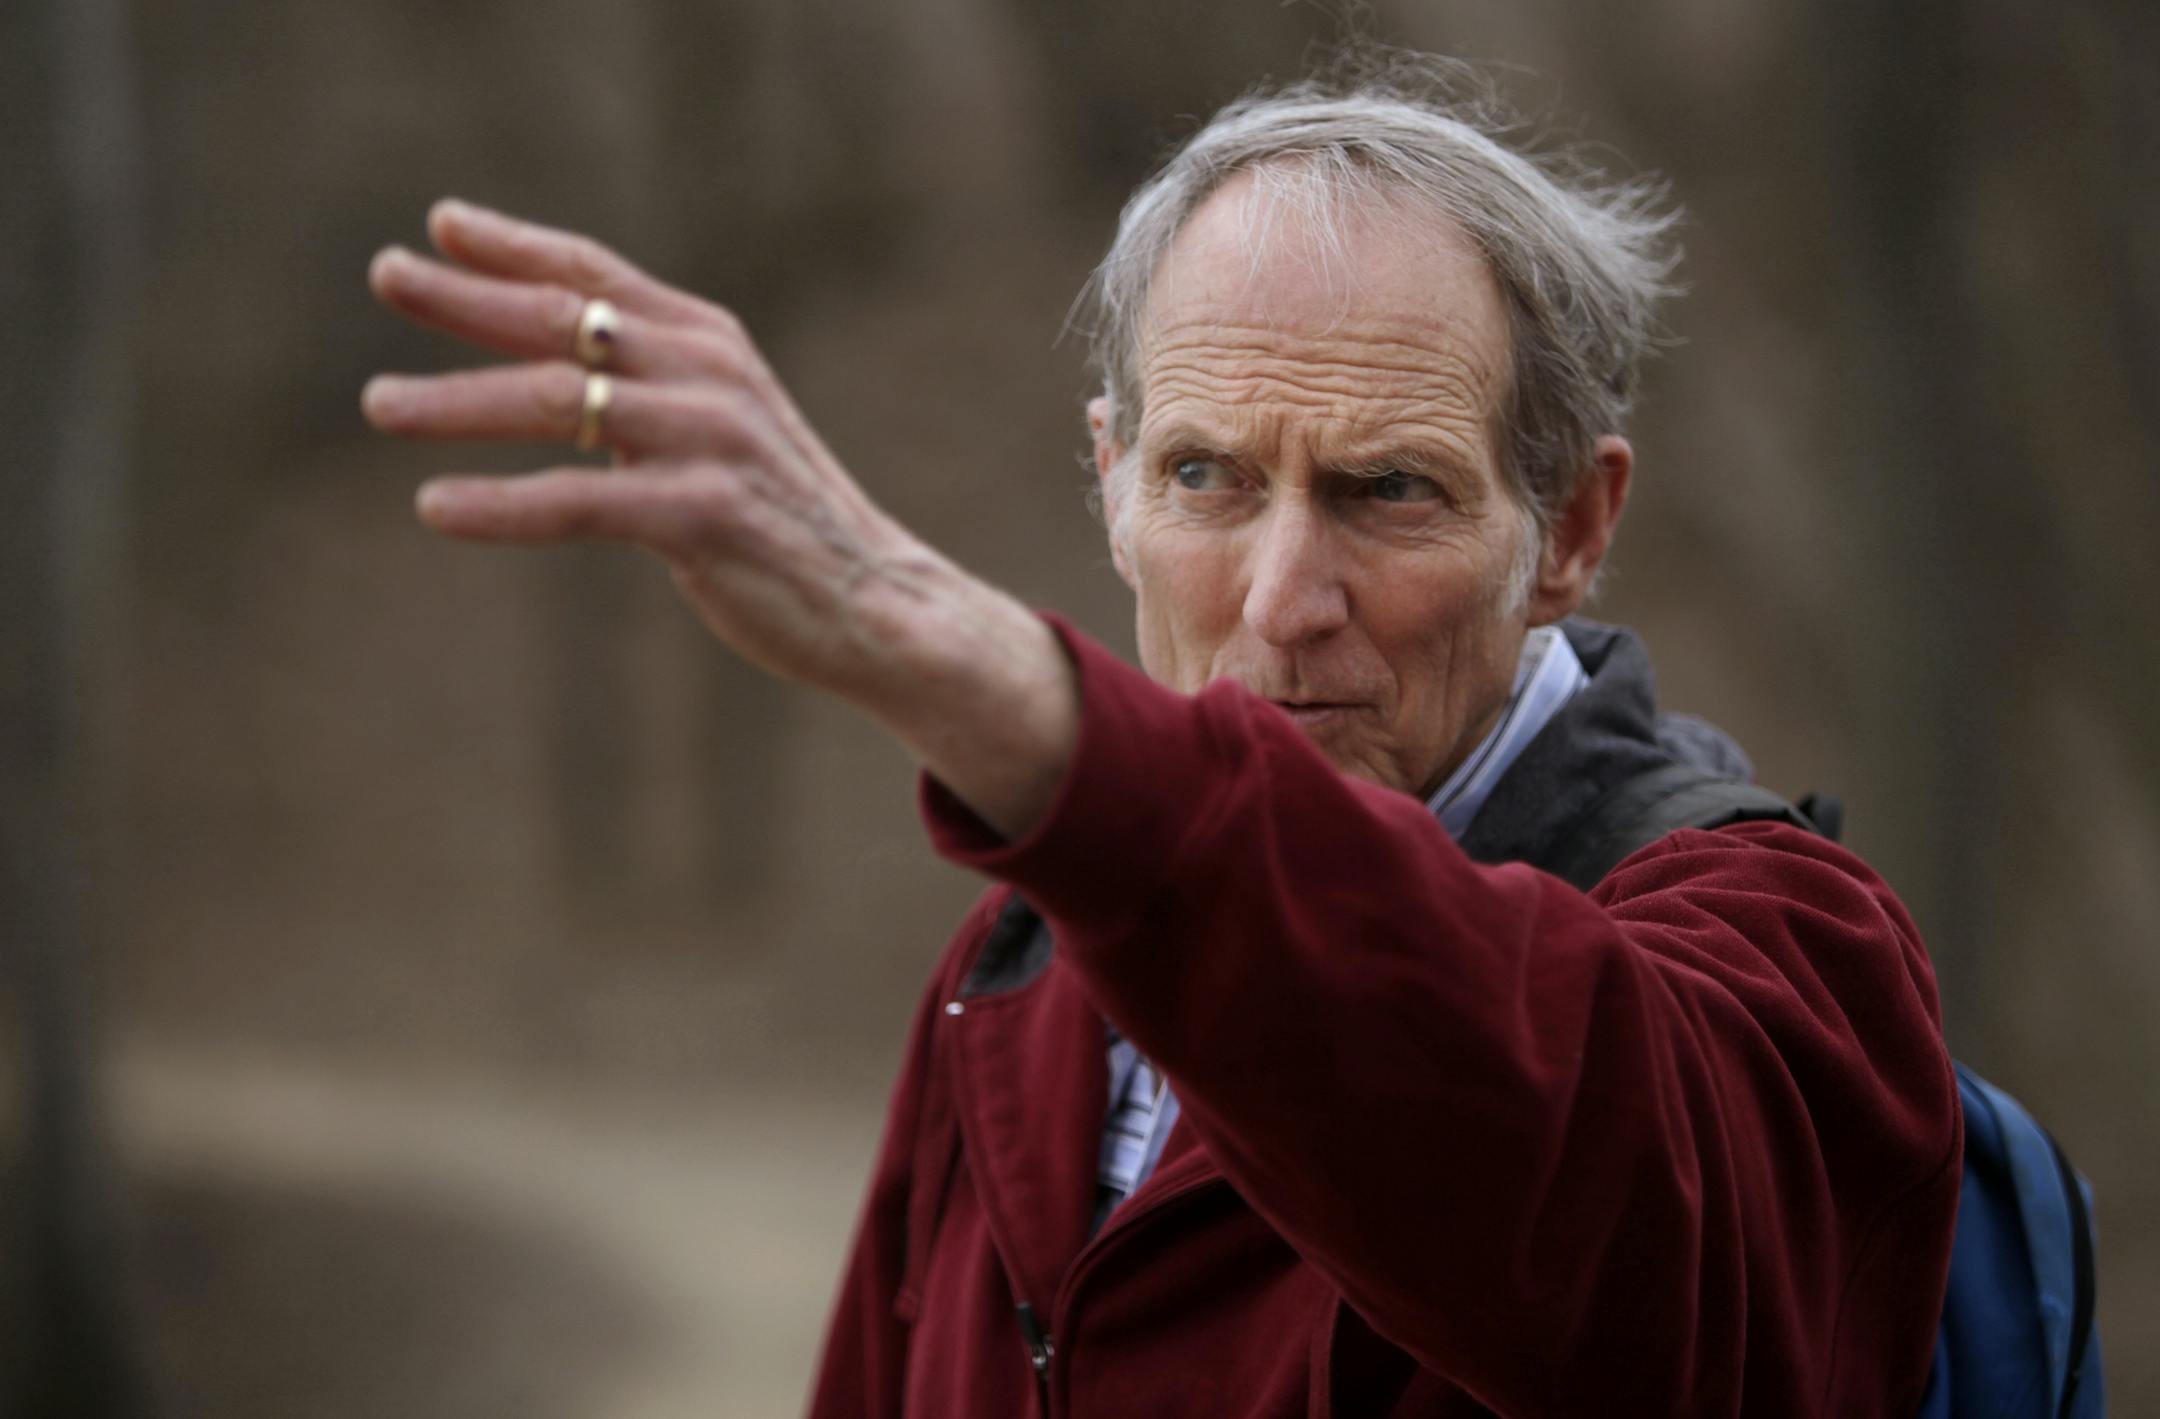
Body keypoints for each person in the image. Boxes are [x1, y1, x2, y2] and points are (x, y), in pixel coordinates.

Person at [364, 58, 1959, 1419]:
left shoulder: (1784, 953)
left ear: (1570, 529)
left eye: (1387, 489)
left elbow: (1564, 1171)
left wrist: (1008, 701)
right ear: (1111, 485)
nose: (1281, 600)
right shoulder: (1027, 958)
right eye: (1205, 479)